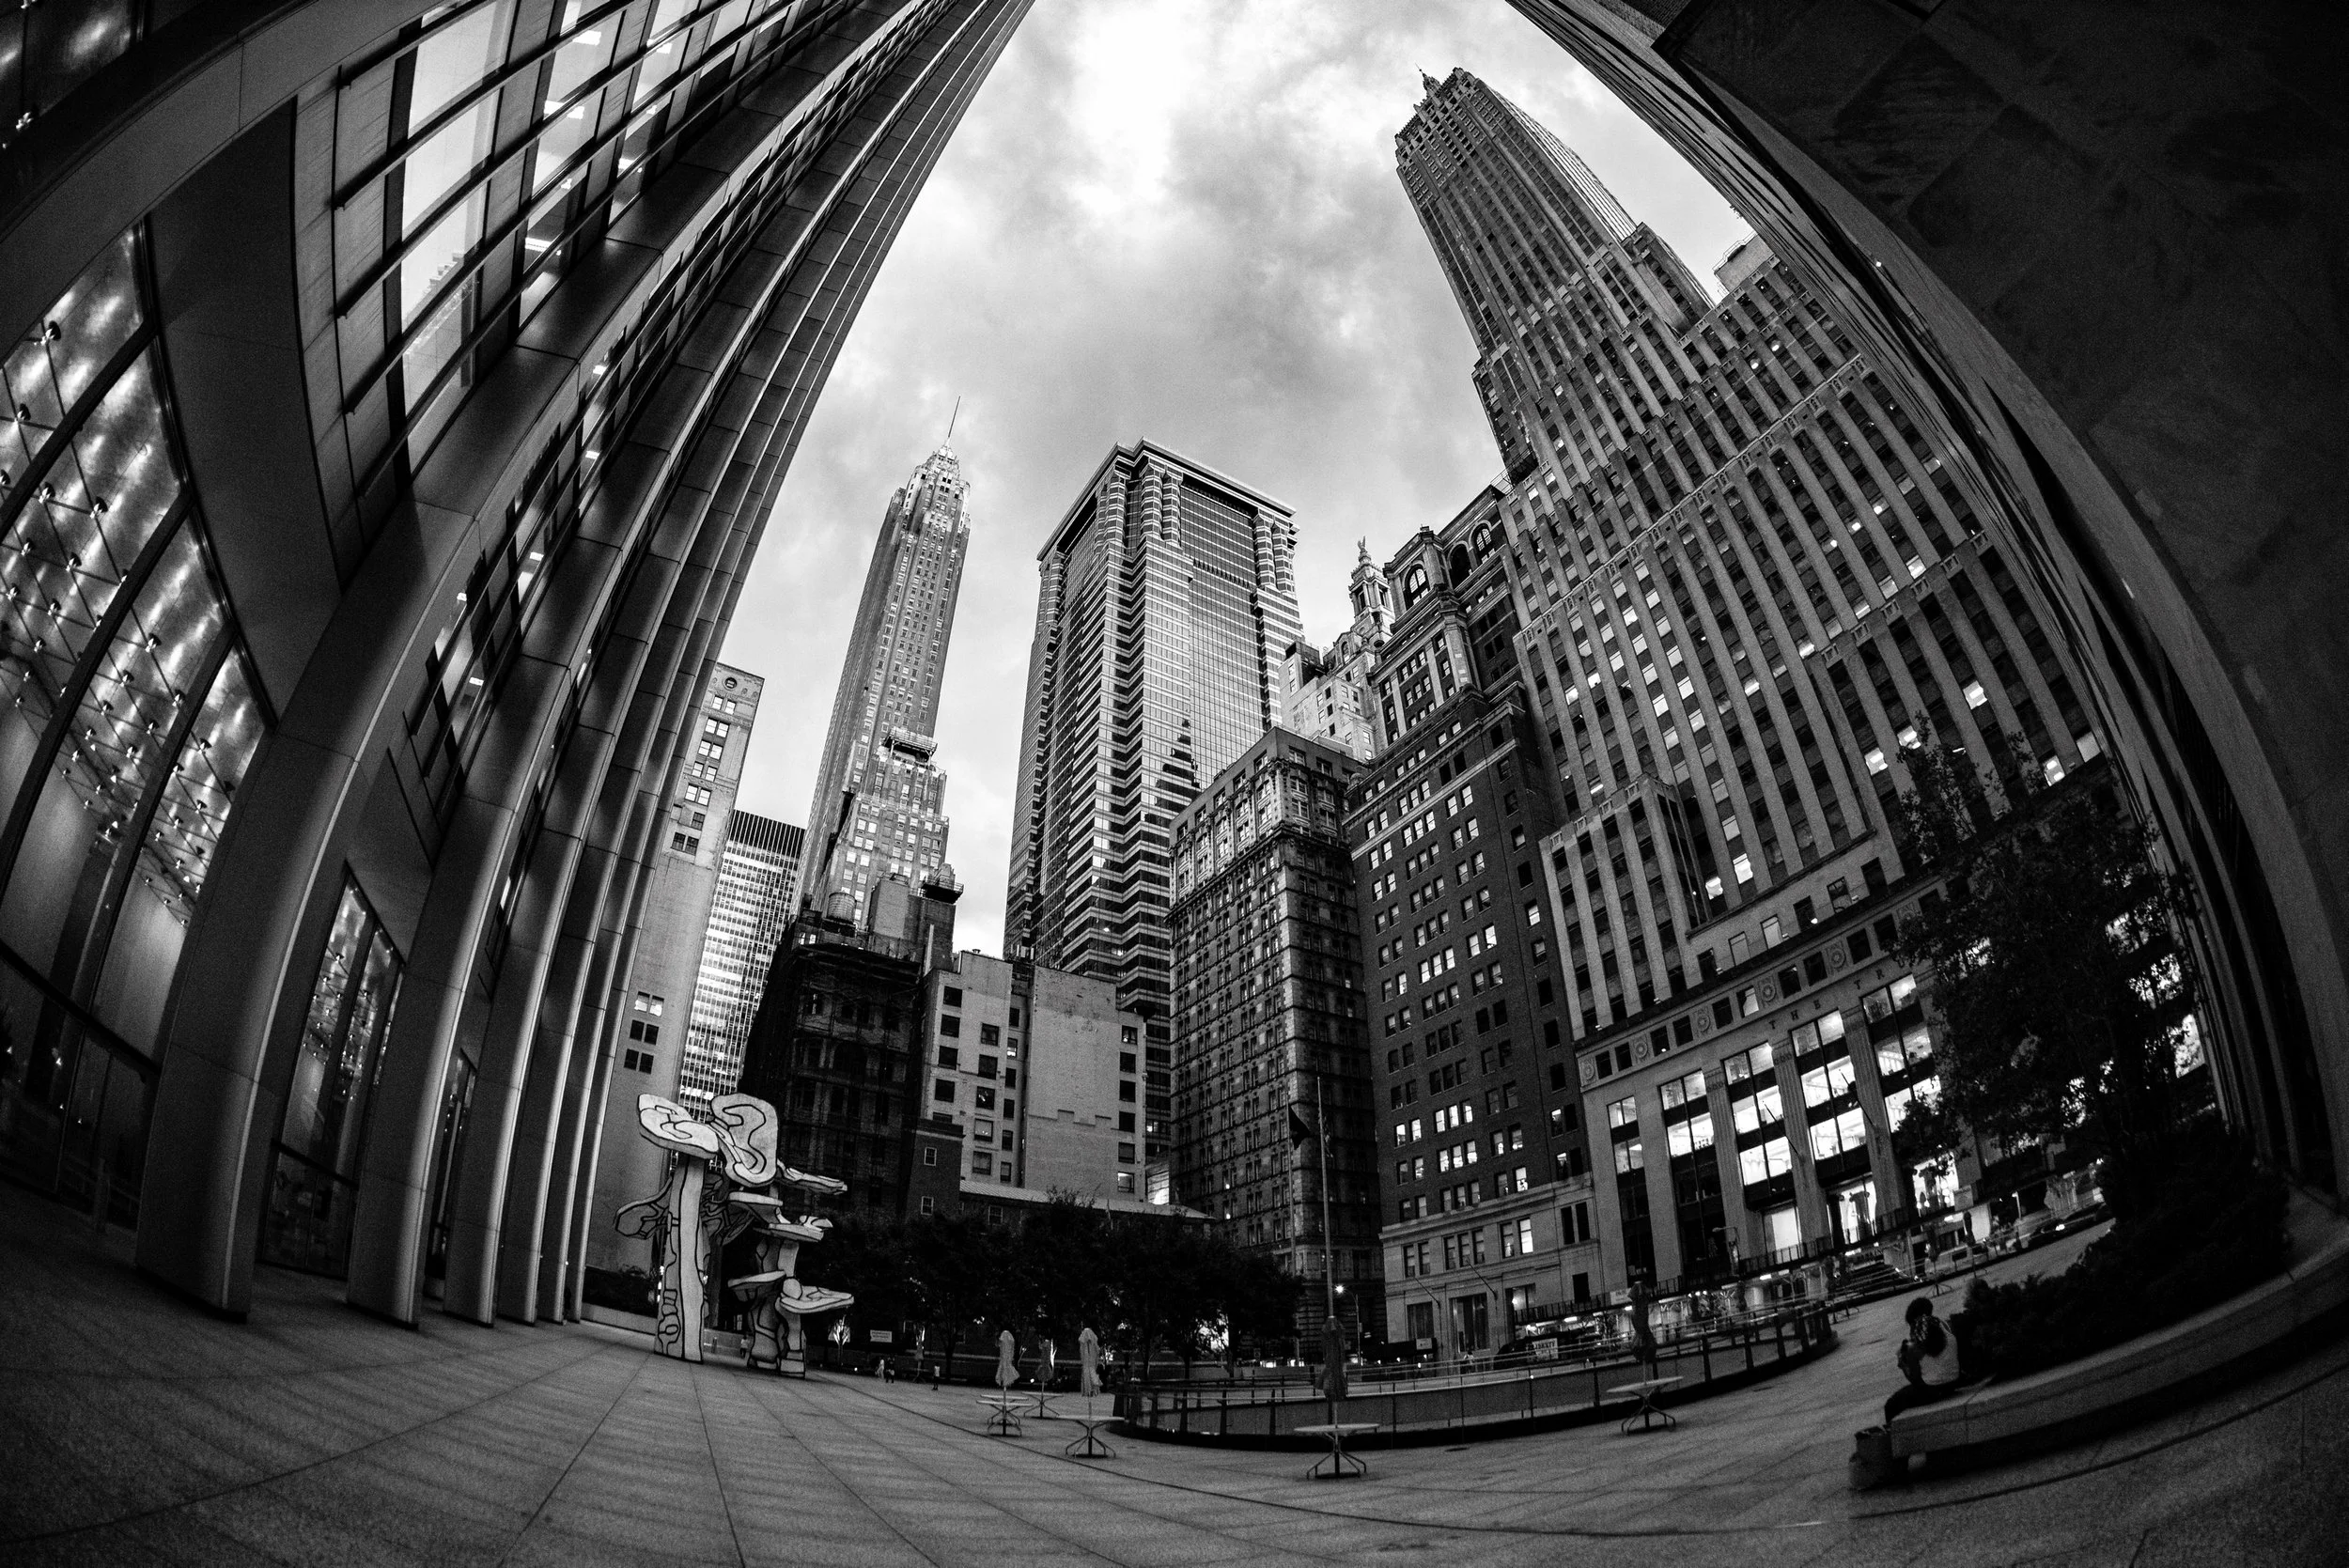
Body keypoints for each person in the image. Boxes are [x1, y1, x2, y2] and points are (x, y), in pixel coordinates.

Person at [1884, 1297, 1962, 1423]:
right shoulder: (1945, 1326)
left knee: (1891, 1405)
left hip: (1933, 1390)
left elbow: (1916, 1380)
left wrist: (1903, 1364)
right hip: (1953, 1383)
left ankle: (1893, 1433)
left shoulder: (1915, 1345)